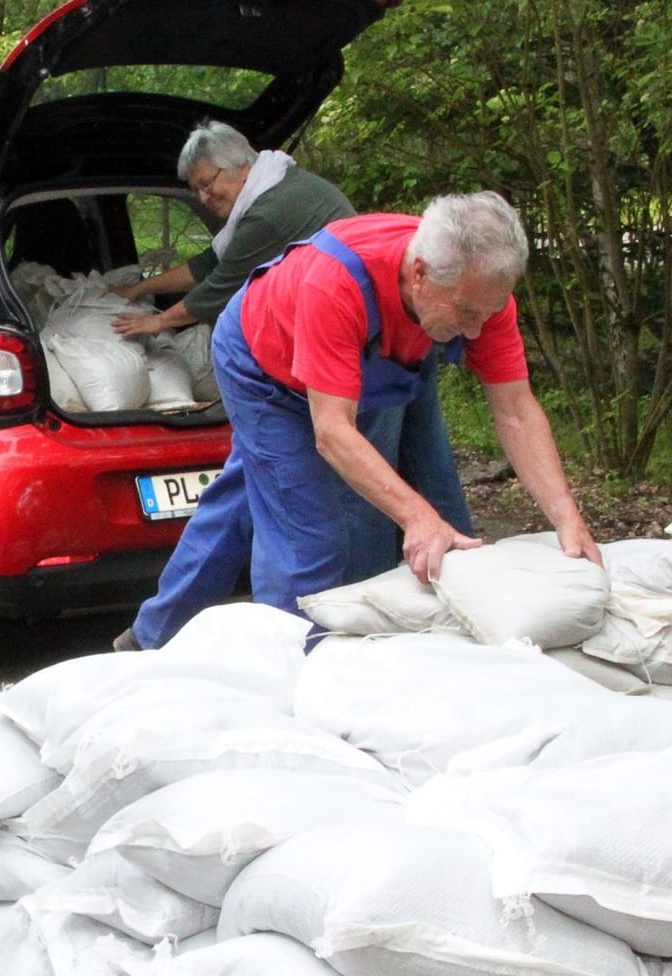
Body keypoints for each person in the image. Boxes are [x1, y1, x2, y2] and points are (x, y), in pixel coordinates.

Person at [123, 192, 600, 649]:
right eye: (466, 313)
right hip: (264, 367)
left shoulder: (478, 288)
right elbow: (332, 432)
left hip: (356, 374)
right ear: (419, 274)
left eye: (488, 313)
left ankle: (154, 632)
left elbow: (516, 410)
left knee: (257, 491)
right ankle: (288, 679)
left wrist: (566, 516)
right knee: (310, 539)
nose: (477, 330)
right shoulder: (337, 282)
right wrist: (417, 517)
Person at [109, 121, 352, 338]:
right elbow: (207, 264)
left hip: (347, 315)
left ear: (240, 166)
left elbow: (219, 288)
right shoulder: (275, 180)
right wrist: (137, 289)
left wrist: (158, 321)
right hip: (333, 302)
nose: (202, 198)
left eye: (206, 184)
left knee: (234, 339)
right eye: (196, 190)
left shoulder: (267, 213)